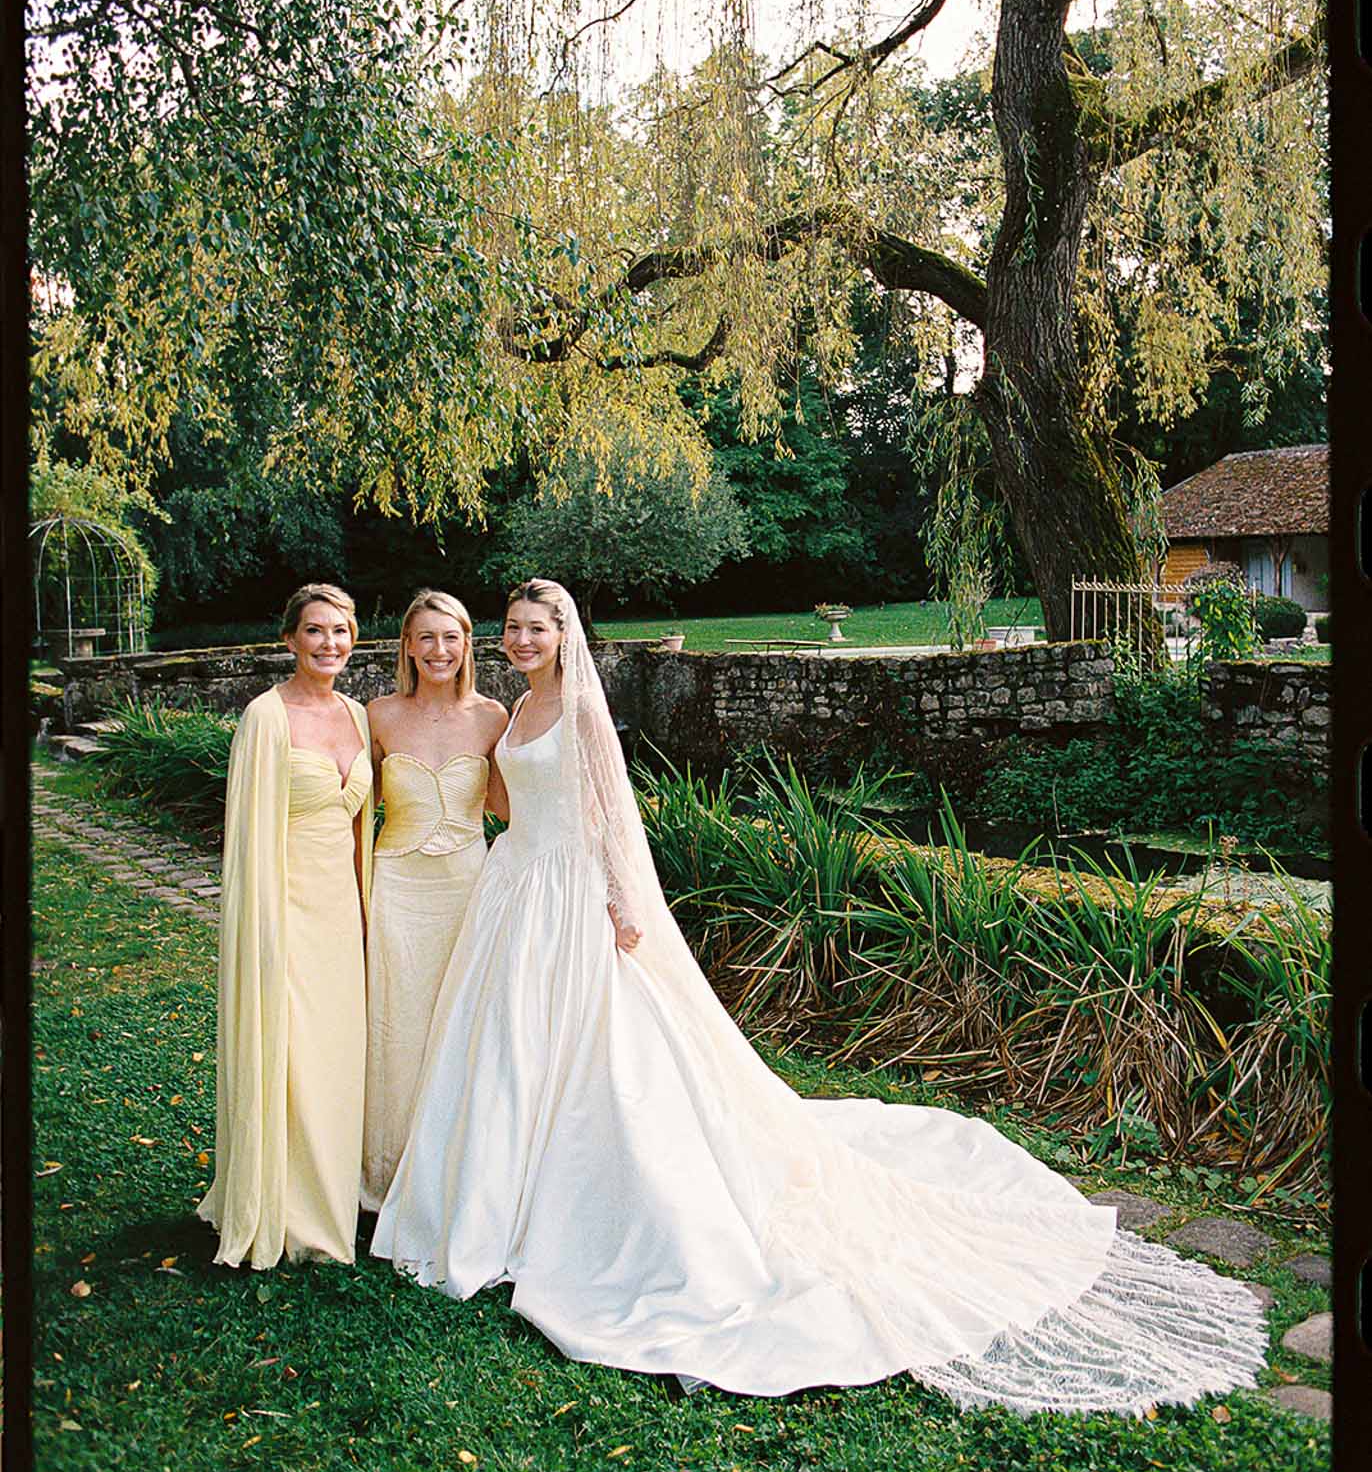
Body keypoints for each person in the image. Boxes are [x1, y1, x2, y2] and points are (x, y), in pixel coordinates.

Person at [373, 578, 1267, 1410]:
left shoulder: (576, 706)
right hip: (516, 890)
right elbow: (502, 800)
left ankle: (575, 1203)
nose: (524, 640)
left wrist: (618, 902)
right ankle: (497, 1191)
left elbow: (613, 811)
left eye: (540, 628)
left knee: (591, 1052)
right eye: (516, 629)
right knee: (507, 1048)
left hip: (573, 897)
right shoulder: (514, 709)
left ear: (566, 635)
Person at [198, 583, 373, 1269]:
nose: (330, 643)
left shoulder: (359, 714)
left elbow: (363, 825)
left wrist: (366, 912)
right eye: (315, 631)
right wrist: (260, 929)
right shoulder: (264, 717)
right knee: (292, 1051)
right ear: (290, 639)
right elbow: (246, 836)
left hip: (342, 911)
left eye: (341, 631)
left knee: (338, 1056)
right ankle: (288, 1205)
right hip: (285, 908)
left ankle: (334, 1191)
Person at [361, 590, 508, 1209]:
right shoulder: (377, 715)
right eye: (425, 638)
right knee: (395, 1024)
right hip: (396, 883)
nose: (439, 650)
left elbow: (510, 807)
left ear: (467, 644)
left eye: (451, 638)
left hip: (467, 887)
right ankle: (387, 1169)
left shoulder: (494, 717)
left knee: (460, 1021)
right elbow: (353, 806)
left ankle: (454, 1169)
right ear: (407, 647)